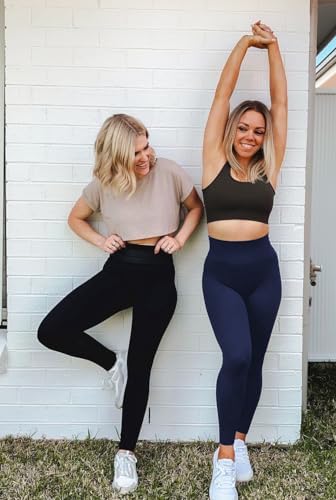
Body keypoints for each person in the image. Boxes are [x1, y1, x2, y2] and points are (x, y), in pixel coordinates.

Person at [37, 113, 203, 495]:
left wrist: (179, 238)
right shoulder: (104, 184)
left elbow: (196, 208)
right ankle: (113, 363)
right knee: (51, 330)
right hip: (119, 271)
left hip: (158, 276)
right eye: (136, 153)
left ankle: (126, 453)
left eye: (147, 147)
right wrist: (100, 240)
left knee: (142, 367)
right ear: (116, 157)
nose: (146, 157)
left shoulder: (170, 172)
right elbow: (76, 218)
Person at [201, 22, 288, 500]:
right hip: (222, 275)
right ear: (231, 127)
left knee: (253, 361)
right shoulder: (214, 161)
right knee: (235, 355)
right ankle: (223, 461)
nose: (251, 136)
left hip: (263, 272)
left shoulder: (269, 167)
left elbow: (282, 103)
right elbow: (222, 94)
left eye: (259, 130)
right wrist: (245, 44)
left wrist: (274, 48)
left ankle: (239, 439)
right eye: (243, 127)